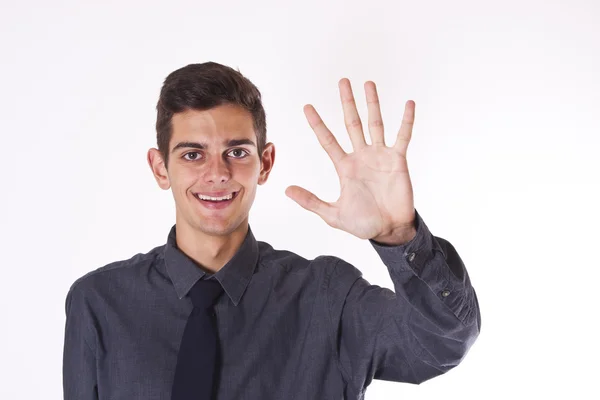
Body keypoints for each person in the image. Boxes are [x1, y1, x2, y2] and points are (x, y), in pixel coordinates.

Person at [63, 61, 481, 400]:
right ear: (160, 168)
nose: (217, 174)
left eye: (236, 152)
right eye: (193, 154)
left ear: (265, 163)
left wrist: (398, 235)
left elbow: (440, 344)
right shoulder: (98, 302)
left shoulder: (327, 297)